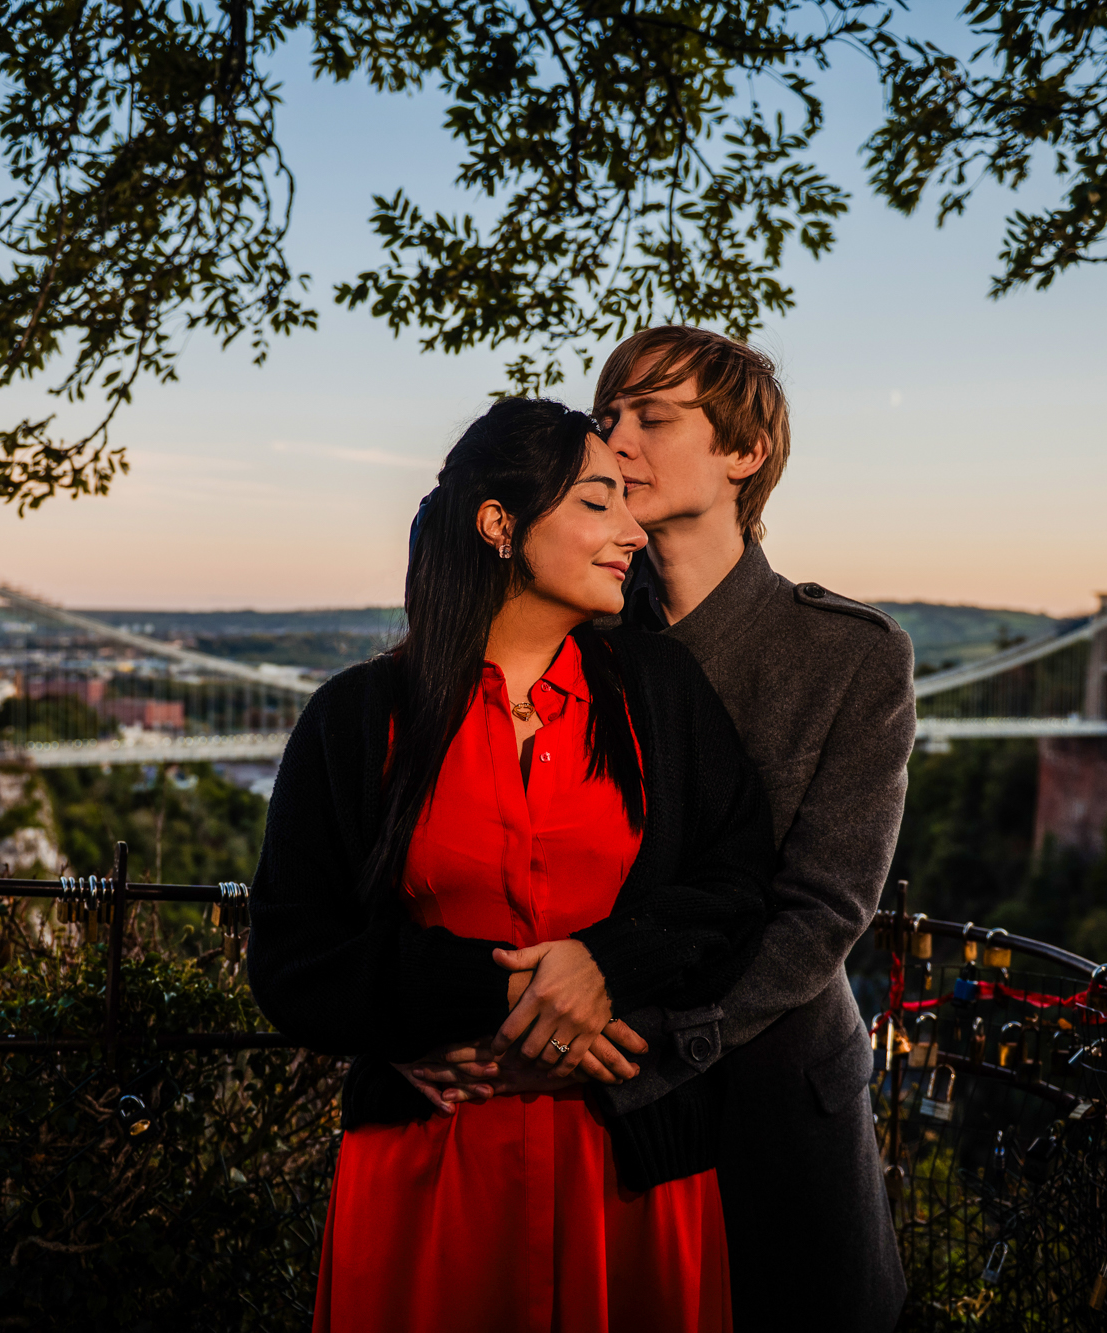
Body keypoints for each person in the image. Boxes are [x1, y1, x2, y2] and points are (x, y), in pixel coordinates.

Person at [408, 328, 916, 1331]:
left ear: (744, 453)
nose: (617, 438)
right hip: (569, 1096)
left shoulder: (846, 655)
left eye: (652, 415)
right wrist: (406, 1024)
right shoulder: (559, 626)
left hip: (759, 1086)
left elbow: (821, 913)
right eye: (608, 418)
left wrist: (643, 1035)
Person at [246, 397, 778, 1333]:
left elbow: (738, 888)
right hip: (432, 1176)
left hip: (631, 1174)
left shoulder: (659, 691)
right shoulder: (357, 717)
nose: (631, 529)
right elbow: (293, 959)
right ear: (501, 524)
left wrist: (607, 966)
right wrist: (498, 995)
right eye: (598, 502)